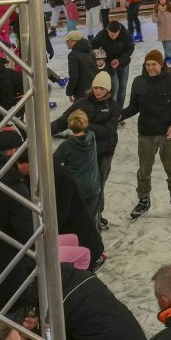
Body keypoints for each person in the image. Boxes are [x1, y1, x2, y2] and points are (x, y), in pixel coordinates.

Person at [121, 50, 171, 221]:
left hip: (168, 134)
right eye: (148, 64)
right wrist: (118, 116)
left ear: (161, 64)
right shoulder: (139, 82)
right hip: (146, 134)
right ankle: (143, 200)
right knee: (144, 170)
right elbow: (134, 106)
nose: (150, 68)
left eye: (154, 64)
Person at [54, 71, 122, 227]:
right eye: (96, 88)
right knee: (86, 186)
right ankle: (88, 217)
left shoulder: (113, 106)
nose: (98, 91)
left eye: (102, 89)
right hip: (83, 152)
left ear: (108, 90)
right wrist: (44, 132)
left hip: (104, 151)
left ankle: (97, 215)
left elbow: (108, 130)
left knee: (99, 186)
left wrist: (83, 125)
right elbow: (63, 121)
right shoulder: (81, 103)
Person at [54, 110, 105, 265]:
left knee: (81, 225)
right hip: (94, 187)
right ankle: (98, 251)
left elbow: (53, 164)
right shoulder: (92, 137)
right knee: (93, 221)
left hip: (78, 190)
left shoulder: (66, 146)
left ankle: (86, 254)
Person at [65, 29, 97, 101]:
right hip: (93, 88)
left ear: (74, 41)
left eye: (67, 40)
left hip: (81, 91)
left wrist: (69, 92)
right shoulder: (90, 51)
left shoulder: (73, 55)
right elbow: (95, 70)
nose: (66, 42)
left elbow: (74, 76)